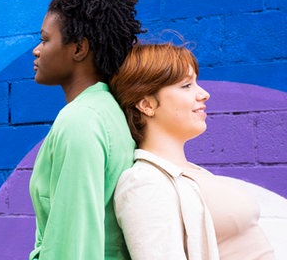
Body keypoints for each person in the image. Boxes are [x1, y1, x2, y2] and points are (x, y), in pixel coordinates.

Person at [110, 42, 276, 260]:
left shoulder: (188, 173)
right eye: (186, 85)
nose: (204, 94)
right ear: (147, 104)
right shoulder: (144, 183)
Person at [29, 0, 143, 259]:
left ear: (79, 48)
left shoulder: (81, 121)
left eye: (45, 39)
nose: (37, 49)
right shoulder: (108, 111)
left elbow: (73, 246)